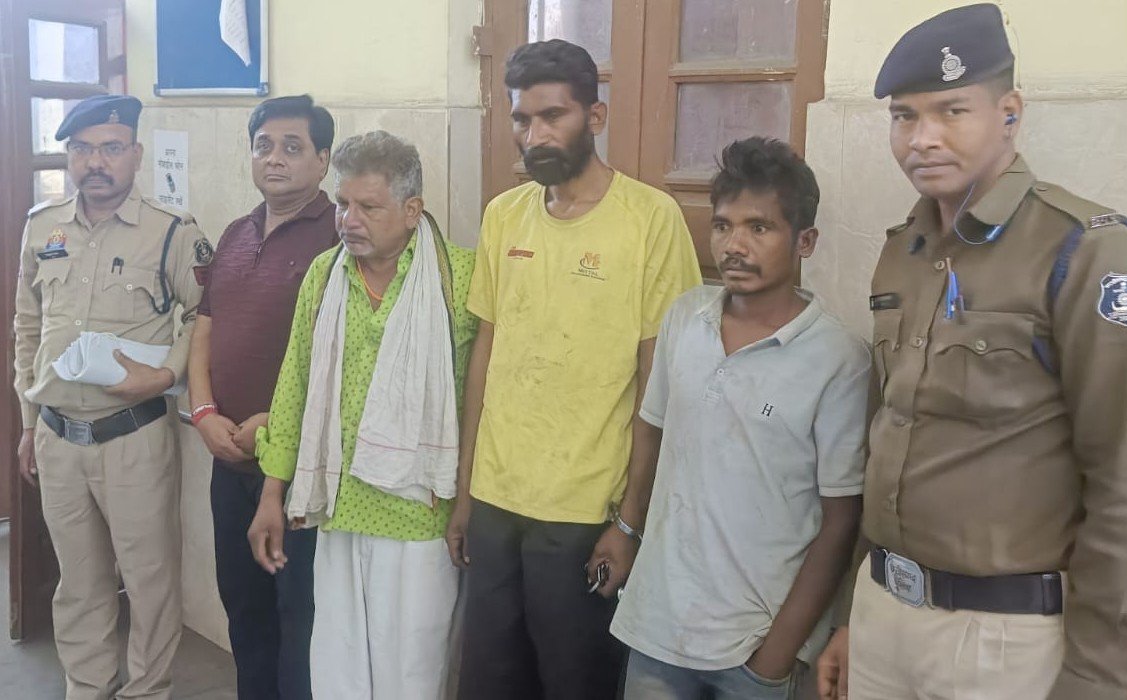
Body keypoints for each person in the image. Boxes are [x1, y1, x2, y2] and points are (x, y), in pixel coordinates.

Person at [815, 5, 1127, 700]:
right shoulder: (902, 252)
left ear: (1010, 113)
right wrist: (851, 614)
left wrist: (1101, 676)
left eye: (952, 111)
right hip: (883, 612)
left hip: (1004, 640)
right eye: (904, 117)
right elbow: (889, 436)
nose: (922, 138)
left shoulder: (1085, 251)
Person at [446, 39, 702, 699]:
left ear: (595, 116)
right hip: (497, 502)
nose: (535, 135)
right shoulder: (505, 216)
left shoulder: (650, 220)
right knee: (489, 683)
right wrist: (465, 492)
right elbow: (484, 358)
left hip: (586, 513)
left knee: (574, 683)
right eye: (522, 119)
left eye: (552, 116)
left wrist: (629, 522)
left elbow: (660, 384)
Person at [612, 137, 868, 700]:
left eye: (760, 227)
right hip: (658, 630)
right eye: (723, 226)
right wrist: (626, 529)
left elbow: (841, 520)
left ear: (805, 241)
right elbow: (651, 430)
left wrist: (776, 656)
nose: (734, 245)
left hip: (754, 647)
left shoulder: (838, 360)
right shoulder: (685, 318)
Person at [247, 130, 478, 699]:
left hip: (420, 516)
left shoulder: (460, 281)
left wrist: (468, 503)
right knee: (338, 673)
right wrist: (272, 494)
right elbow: (294, 386)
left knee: (413, 676)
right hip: (339, 508)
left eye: (368, 207)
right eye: (343, 203)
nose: (349, 220)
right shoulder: (326, 275)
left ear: (411, 210)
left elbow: (484, 405)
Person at [13, 94, 211, 700]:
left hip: (134, 438)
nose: (94, 162)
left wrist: (166, 375)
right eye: (81, 149)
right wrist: (28, 422)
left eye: (110, 148)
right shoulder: (42, 225)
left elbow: (205, 315)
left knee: (149, 581)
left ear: (135, 154)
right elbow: (28, 325)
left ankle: (147, 690)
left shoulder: (172, 232)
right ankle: (88, 686)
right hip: (58, 437)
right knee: (79, 582)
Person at [187, 94, 338, 700]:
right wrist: (203, 414)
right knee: (243, 609)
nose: (274, 158)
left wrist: (275, 422)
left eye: (292, 147)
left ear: (323, 160)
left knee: (299, 618)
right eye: (263, 145)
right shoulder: (235, 232)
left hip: (300, 470)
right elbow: (205, 327)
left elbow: (346, 357)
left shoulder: (340, 235)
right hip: (228, 461)